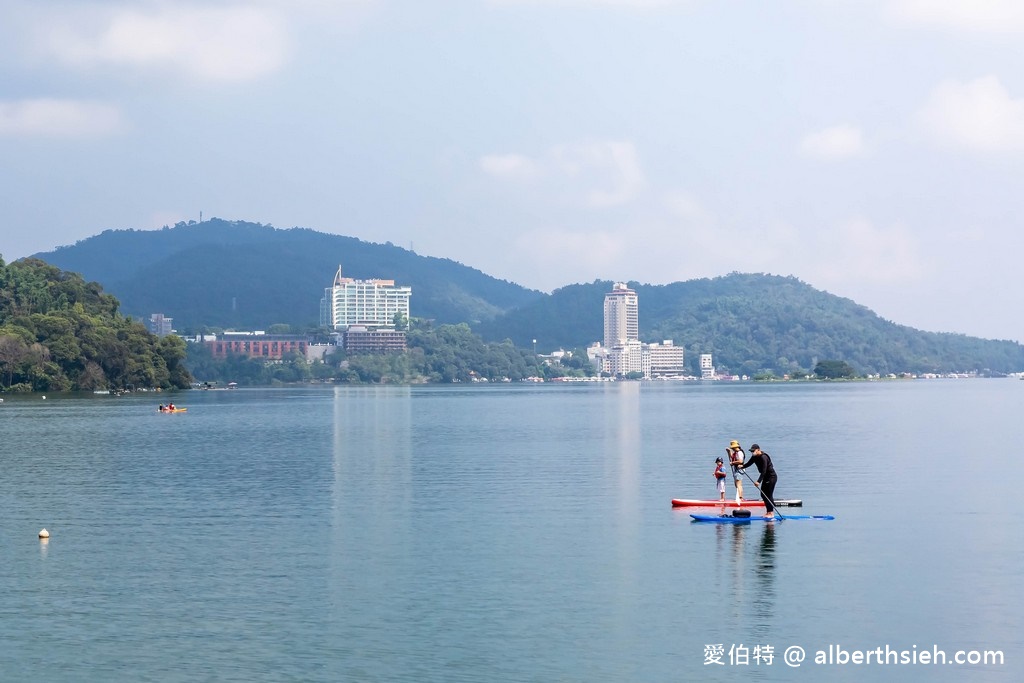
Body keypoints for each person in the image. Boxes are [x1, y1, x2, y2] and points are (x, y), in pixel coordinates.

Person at [739, 443, 778, 519]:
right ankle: (768, 511)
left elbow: (764, 471)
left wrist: (758, 481)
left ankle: (771, 513)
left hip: (771, 477)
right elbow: (748, 463)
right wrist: (742, 466)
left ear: (758, 450)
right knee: (763, 494)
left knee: (768, 494)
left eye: (753, 451)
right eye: (751, 451)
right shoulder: (754, 457)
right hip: (765, 478)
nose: (752, 452)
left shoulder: (764, 457)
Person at [727, 440, 746, 504]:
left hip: (739, 470)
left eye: (732, 448)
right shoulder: (735, 452)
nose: (732, 449)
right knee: (736, 484)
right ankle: (739, 497)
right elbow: (731, 457)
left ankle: (740, 498)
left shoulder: (740, 452)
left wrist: (733, 462)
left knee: (738, 484)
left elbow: (740, 461)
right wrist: (729, 452)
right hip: (736, 469)